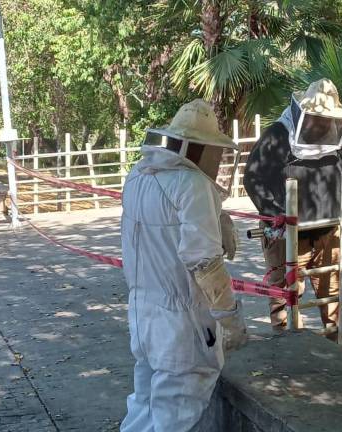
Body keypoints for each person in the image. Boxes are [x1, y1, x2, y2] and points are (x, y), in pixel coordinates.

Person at [120, 99, 248, 431]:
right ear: (196, 148)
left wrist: (217, 216)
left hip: (143, 314)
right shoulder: (193, 186)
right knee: (173, 417)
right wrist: (229, 317)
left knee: (144, 405)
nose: (216, 160)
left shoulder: (138, 175)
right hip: (182, 323)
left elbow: (162, 224)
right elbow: (204, 262)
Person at [243, 79, 342, 335]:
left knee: (332, 295)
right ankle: (289, 348)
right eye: (315, 118)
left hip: (327, 230)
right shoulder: (277, 136)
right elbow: (253, 178)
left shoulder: (338, 138)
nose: (320, 124)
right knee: (285, 298)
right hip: (287, 233)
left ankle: (340, 348)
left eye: (325, 119)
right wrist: (274, 214)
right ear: (302, 113)